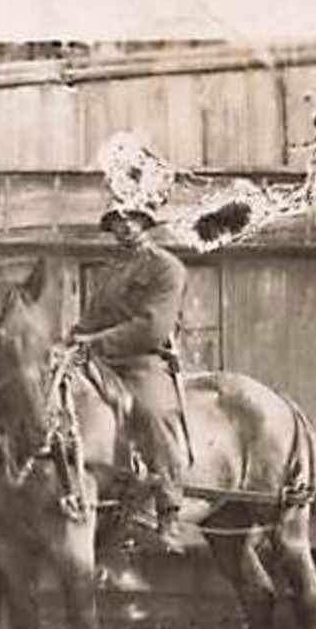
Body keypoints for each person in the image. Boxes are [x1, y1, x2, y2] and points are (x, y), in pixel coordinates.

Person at [72, 204, 190, 554]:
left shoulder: (166, 268)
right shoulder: (111, 272)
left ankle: (168, 509)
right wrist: (69, 338)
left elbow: (152, 328)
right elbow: (91, 319)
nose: (123, 226)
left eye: (130, 219)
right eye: (115, 221)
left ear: (145, 222)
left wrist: (96, 342)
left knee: (153, 414)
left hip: (141, 361)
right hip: (100, 361)